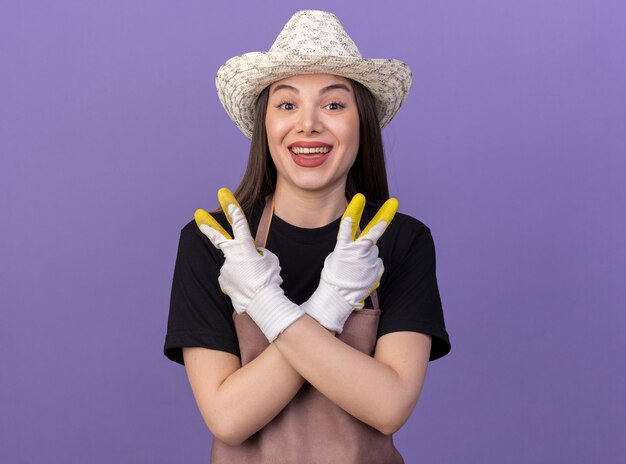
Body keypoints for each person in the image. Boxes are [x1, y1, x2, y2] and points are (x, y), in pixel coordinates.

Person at [164, 10, 451, 463]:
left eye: (334, 104)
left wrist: (267, 305)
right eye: (287, 104)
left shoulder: (400, 241)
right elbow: (228, 418)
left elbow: (389, 406)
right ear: (266, 124)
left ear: (362, 123)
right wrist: (328, 306)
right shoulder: (212, 242)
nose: (309, 124)